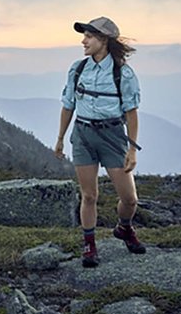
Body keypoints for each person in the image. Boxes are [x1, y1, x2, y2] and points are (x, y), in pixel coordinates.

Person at [55, 16, 145, 268]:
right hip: (83, 135)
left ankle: (124, 228)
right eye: (84, 36)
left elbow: (131, 112)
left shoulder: (123, 73)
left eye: (89, 37)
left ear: (103, 41)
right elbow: (68, 106)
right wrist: (60, 139)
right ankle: (89, 245)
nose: (83, 41)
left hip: (112, 136)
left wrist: (132, 149)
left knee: (129, 199)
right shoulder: (78, 69)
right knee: (89, 195)